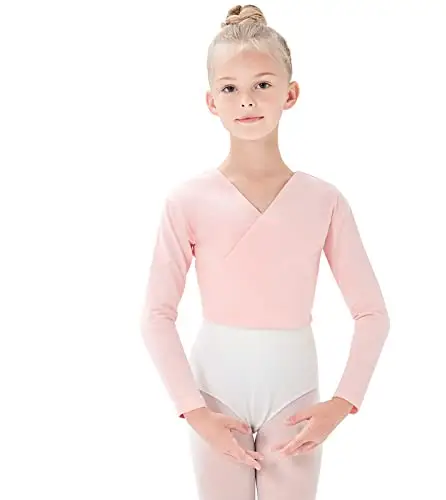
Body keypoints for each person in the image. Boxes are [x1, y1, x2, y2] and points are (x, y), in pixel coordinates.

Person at [140, 4, 390, 499]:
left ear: (289, 93)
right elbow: (155, 315)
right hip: (214, 393)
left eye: (262, 84)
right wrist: (194, 411)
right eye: (230, 88)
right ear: (211, 101)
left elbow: (372, 314)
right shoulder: (187, 200)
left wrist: (342, 403)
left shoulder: (323, 200)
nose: (247, 100)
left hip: (294, 395)